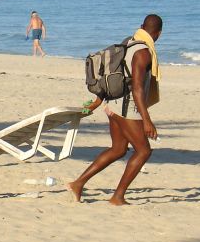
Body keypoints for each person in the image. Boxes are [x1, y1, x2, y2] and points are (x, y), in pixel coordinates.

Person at [68, 14, 163, 205]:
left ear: (141, 27)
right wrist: (146, 120)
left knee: (119, 149)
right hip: (127, 108)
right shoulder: (143, 52)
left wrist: (98, 101)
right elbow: (136, 87)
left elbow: (113, 73)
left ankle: (78, 183)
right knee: (144, 151)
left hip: (113, 103)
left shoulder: (128, 42)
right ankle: (118, 196)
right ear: (159, 34)